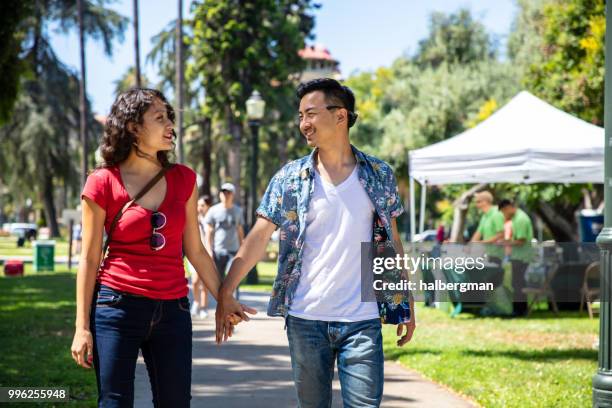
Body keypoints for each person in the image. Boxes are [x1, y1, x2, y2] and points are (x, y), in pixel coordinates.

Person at [216, 78, 416, 407]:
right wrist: (226, 291)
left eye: (310, 114)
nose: (303, 124)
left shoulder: (379, 174)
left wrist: (404, 300)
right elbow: (258, 237)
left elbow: (391, 241)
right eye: (299, 116)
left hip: (362, 319)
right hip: (306, 319)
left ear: (340, 116)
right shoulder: (290, 177)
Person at [69, 88, 254, 407]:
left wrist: (224, 297)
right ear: (133, 127)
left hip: (173, 310)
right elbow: (88, 259)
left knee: (176, 402)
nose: (170, 125)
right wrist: (81, 327)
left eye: (170, 117)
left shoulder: (184, 179)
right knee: (114, 401)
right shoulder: (102, 182)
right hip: (116, 307)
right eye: (159, 118)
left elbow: (195, 251)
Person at [498, 198, 534, 316]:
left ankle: (519, 310)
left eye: (503, 212)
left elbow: (521, 241)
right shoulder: (515, 218)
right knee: (517, 283)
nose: (504, 215)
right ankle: (518, 309)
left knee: (518, 284)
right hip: (518, 256)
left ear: (507, 208)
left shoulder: (520, 219)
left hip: (522, 257)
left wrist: (505, 243)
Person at [203, 183, 244, 279]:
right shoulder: (213, 210)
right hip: (218, 250)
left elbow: (240, 230)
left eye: (228, 193)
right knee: (218, 280)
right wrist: (209, 250)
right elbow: (209, 231)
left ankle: (232, 294)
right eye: (223, 192)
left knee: (232, 276)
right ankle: (221, 294)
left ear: (233, 195)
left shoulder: (238, 211)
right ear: (220, 194)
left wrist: (242, 249)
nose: (225, 195)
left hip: (233, 251)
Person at [188, 195, 213, 318]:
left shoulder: (211, 220)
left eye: (202, 205)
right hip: (194, 252)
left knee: (204, 282)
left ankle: (203, 307)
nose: (199, 208)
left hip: (207, 254)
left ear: (208, 206)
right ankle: (196, 302)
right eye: (198, 205)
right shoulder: (194, 219)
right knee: (195, 281)